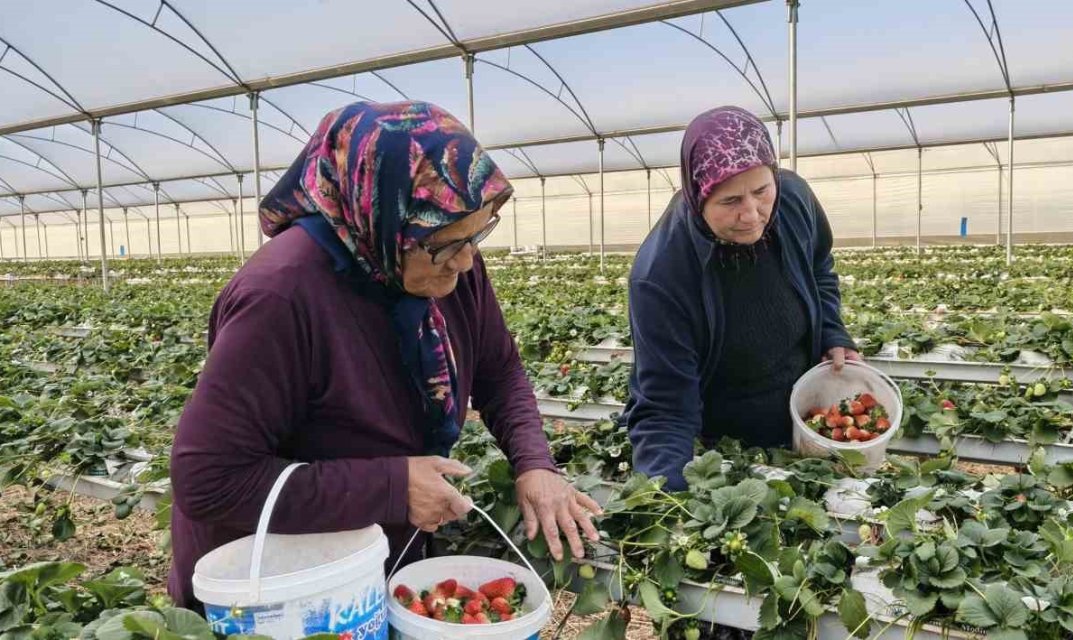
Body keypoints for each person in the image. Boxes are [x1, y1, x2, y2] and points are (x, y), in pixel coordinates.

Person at [167, 101, 601, 608]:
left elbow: (497, 370)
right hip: (275, 586)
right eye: (445, 245)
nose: (465, 260)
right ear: (381, 218)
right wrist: (392, 486)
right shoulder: (281, 296)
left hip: (370, 557)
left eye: (478, 234)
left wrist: (534, 463)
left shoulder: (448, 257)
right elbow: (210, 479)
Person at [621, 106, 858, 491]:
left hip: (803, 414)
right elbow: (665, 407)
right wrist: (668, 502)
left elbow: (819, 266)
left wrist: (832, 331)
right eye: (730, 202)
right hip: (723, 443)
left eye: (762, 191)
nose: (751, 215)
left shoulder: (794, 199)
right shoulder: (660, 275)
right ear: (698, 197)